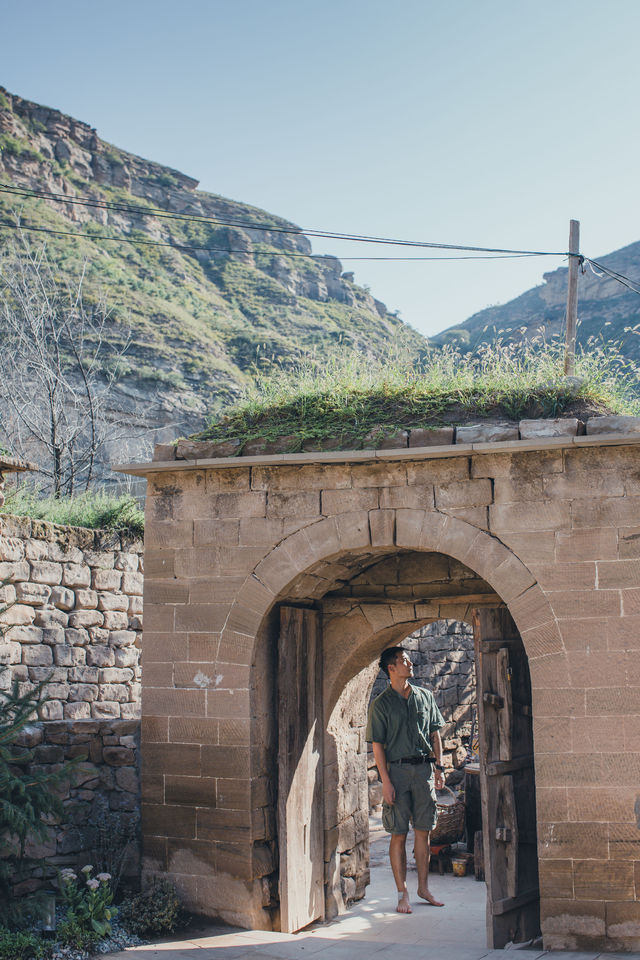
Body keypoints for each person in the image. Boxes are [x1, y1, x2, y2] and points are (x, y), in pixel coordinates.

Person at [366, 646, 446, 914]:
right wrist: (385, 782)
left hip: (423, 771)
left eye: (408, 659)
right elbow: (378, 747)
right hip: (397, 774)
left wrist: (440, 767)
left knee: (424, 832)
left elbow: (435, 734)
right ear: (391, 668)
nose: (410, 663)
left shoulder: (425, 697)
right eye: (403, 660)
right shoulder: (381, 705)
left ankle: (423, 887)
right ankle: (402, 893)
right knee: (398, 834)